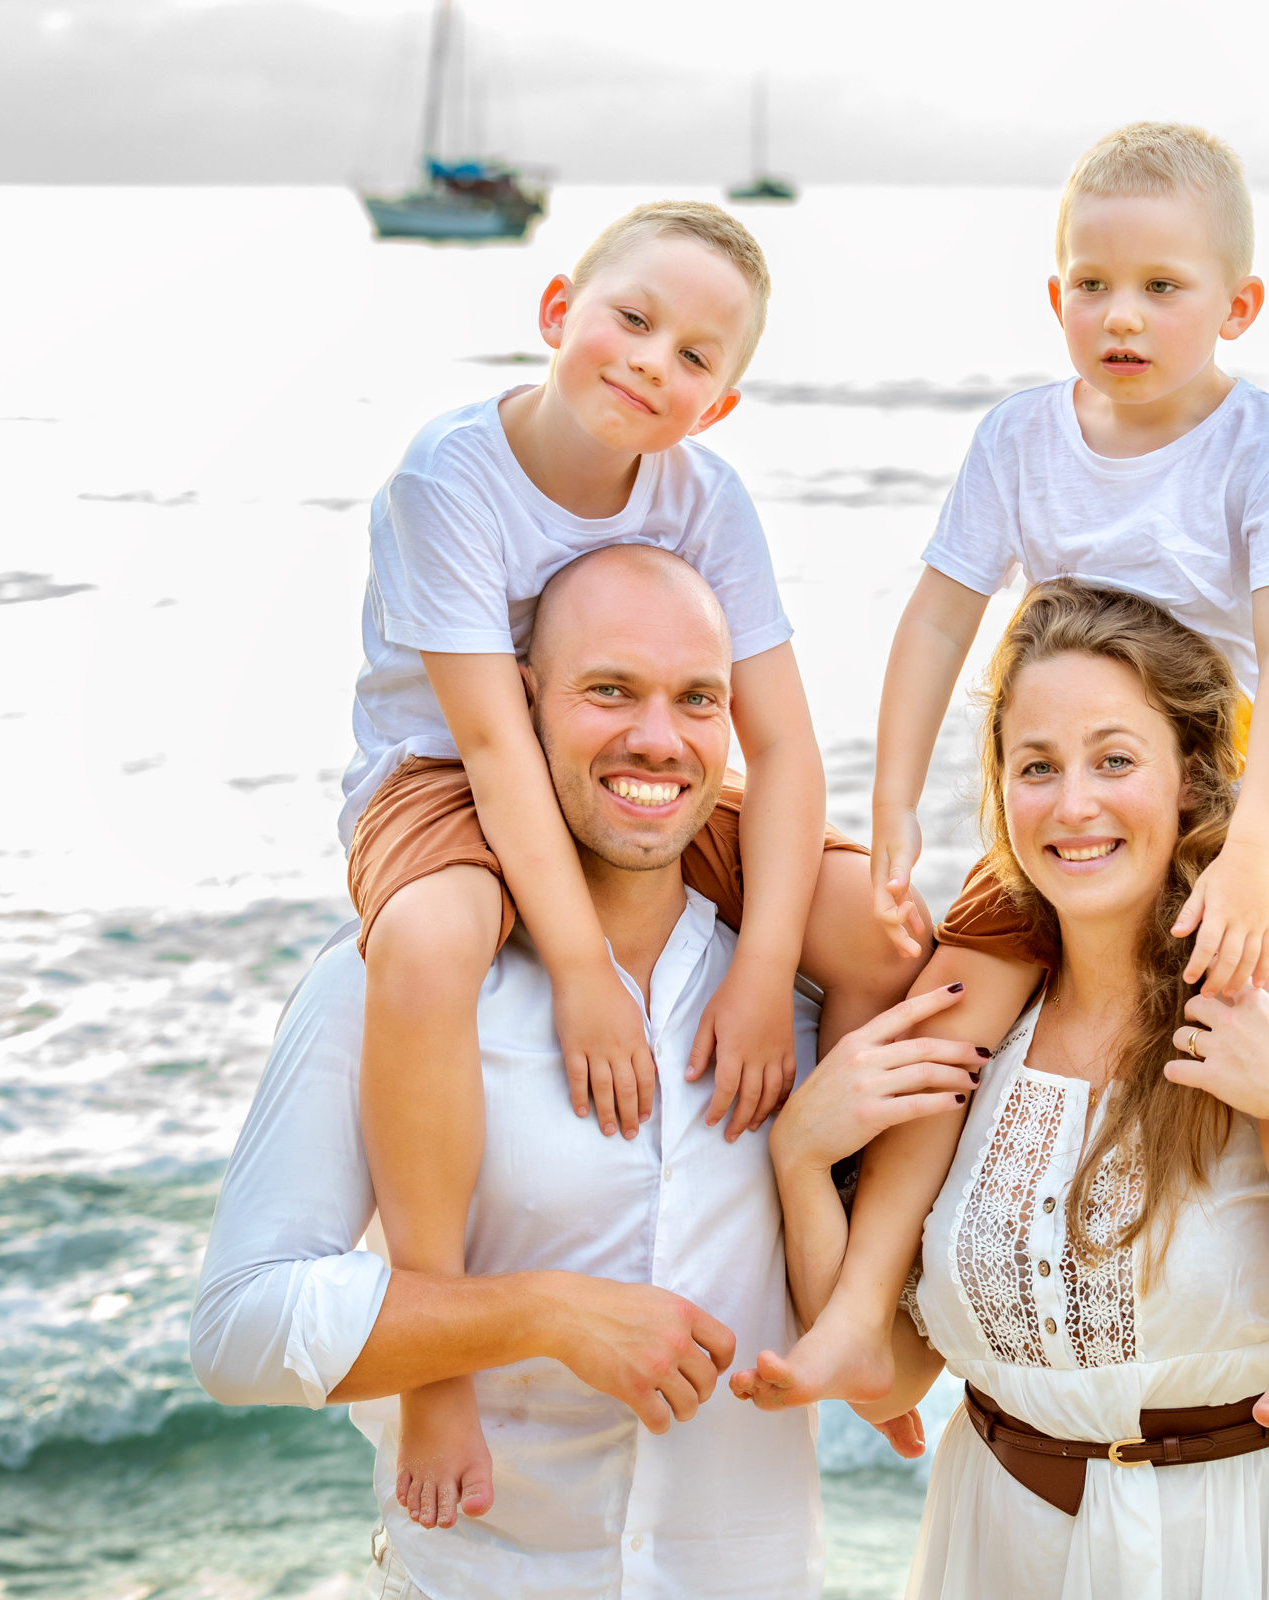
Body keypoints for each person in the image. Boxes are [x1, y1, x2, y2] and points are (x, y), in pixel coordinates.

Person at [192, 546, 960, 1599]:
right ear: (523, 705)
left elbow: (901, 1360)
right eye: (610, 690)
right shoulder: (396, 978)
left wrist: (802, 1156)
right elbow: (239, 1328)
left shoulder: (802, 1003)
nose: (658, 737)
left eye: (697, 699)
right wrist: (545, 1313)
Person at [734, 581, 1269, 1598]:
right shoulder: (976, 1022)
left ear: (1191, 780)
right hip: (1002, 1549)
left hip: (1257, 1554)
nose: (1074, 805)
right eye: (1037, 767)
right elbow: (887, 1378)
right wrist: (801, 1158)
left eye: (1115, 759)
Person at [767, 121, 1269, 1434]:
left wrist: (1261, 848)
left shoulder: (1265, 446)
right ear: (1056, 298)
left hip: (1240, 796)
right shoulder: (1021, 440)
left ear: (1237, 305)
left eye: (1163, 286)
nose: (1123, 314)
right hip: (1078, 802)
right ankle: (867, 1301)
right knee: (944, 1005)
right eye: (1093, 284)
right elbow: (936, 618)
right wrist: (889, 805)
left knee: (1262, 994)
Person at [340, 201, 923, 1526]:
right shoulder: (450, 479)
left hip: (635, 754)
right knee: (430, 945)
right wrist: (587, 972)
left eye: (699, 356)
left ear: (716, 408)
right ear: (558, 313)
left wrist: (768, 966)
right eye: (633, 318)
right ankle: (434, 1348)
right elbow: (492, 746)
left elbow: (777, 745)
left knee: (881, 934)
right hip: (448, 771)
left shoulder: (704, 496)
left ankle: (851, 1301)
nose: (656, 360)